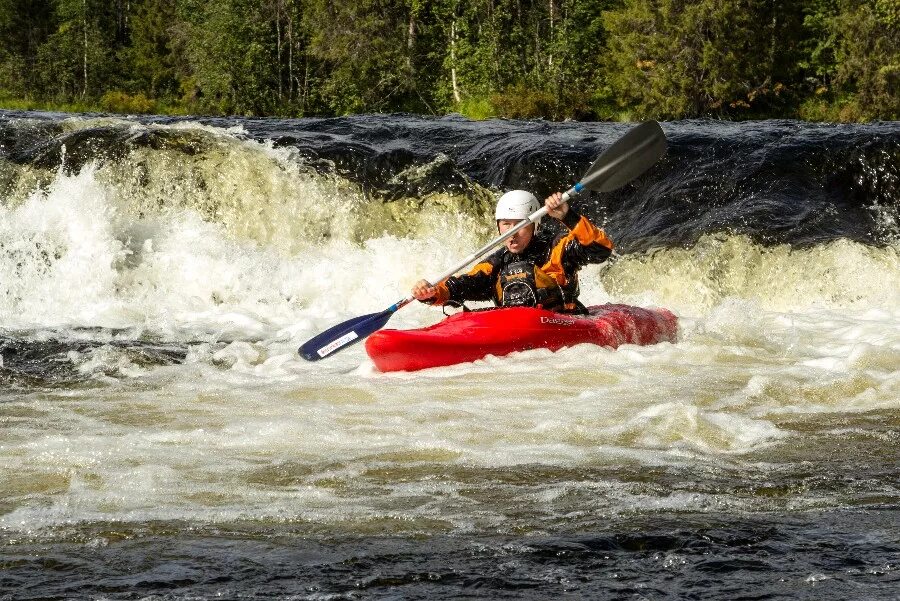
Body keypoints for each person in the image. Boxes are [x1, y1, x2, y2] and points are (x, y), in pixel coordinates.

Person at [411, 189, 614, 313]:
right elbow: (459, 286)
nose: (512, 233)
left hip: (562, 323)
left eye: (519, 226)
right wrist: (431, 292)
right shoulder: (495, 263)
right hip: (514, 330)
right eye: (506, 224)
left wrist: (568, 216)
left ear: (535, 225)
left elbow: (600, 249)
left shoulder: (558, 247)